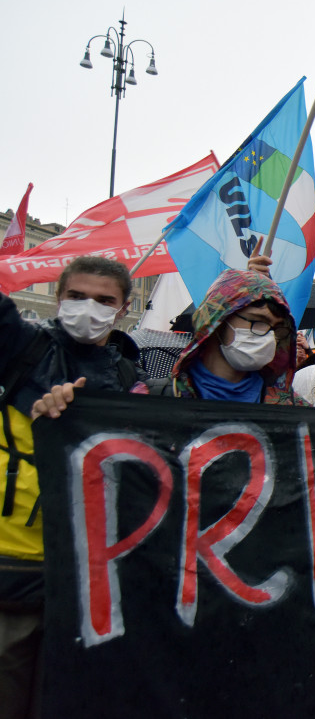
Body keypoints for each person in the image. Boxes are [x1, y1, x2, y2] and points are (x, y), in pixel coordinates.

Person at [1, 256, 145, 719]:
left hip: (88, 586)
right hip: (10, 571)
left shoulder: (133, 382)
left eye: (104, 301)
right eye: (77, 296)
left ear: (123, 309)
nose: (89, 308)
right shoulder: (18, 347)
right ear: (57, 296)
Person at [159, 268, 304, 405]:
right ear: (218, 320)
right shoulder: (156, 398)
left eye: (277, 328)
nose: (269, 337)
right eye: (259, 321)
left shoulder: (293, 408)